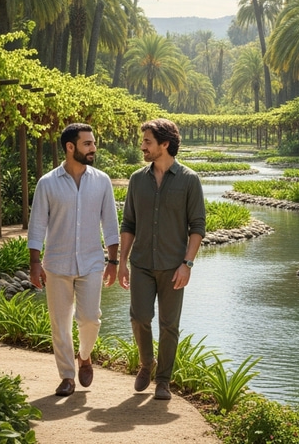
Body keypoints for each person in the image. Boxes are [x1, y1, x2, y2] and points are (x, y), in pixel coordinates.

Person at [27, 122, 119, 397]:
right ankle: (67, 376)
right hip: (57, 264)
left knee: (90, 319)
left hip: (92, 262)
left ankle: (85, 355)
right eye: (87, 144)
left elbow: (110, 224)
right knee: (60, 323)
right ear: (70, 147)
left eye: (93, 143)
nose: (93, 148)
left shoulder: (102, 181)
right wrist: (34, 263)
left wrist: (113, 262)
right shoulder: (47, 183)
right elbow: (37, 225)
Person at [117, 118, 206, 401]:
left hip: (173, 267)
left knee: (169, 326)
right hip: (141, 263)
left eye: (147, 141)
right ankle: (147, 363)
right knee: (139, 317)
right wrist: (121, 262)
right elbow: (128, 223)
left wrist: (187, 264)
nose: (142, 146)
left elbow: (197, 227)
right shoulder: (136, 180)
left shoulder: (189, 180)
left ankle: (164, 381)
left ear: (164, 144)